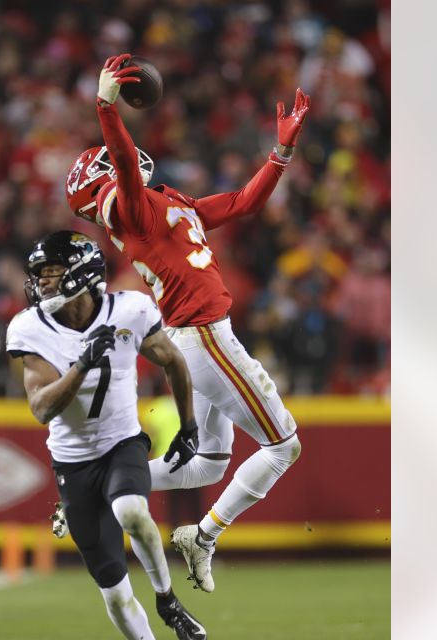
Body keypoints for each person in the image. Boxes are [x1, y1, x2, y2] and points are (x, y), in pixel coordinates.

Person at [61, 54, 310, 593]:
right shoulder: (133, 211)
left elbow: (243, 202)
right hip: (203, 334)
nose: (117, 161)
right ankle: (204, 535)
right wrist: (105, 106)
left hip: (197, 338)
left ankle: (95, 484)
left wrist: (281, 153)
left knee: (207, 468)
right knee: (283, 445)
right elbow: (126, 165)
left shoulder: (166, 204)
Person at [6, 230, 208, 640]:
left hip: (122, 444)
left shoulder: (131, 310)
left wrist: (190, 424)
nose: (44, 284)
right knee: (114, 593)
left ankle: (167, 599)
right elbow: (40, 409)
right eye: (40, 276)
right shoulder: (28, 328)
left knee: (132, 511)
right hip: (73, 465)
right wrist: (81, 365)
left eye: (52, 273)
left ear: (81, 273)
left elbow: (174, 361)